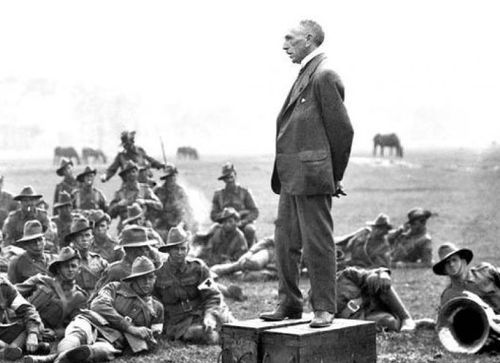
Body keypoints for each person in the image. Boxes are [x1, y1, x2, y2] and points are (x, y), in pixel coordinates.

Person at [260, 20, 354, 328]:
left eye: (290, 39)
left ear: (309, 39)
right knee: (285, 241)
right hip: (290, 177)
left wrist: (333, 176)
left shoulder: (324, 76)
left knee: (317, 243)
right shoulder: (306, 73)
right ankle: (289, 303)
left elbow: (342, 131)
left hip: (312, 178)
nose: (284, 45)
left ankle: (324, 308)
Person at [24, 256, 164, 363]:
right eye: (142, 278)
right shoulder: (114, 288)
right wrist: (130, 328)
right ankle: (60, 357)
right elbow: (99, 306)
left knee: (102, 351)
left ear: (155, 278)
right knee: (76, 335)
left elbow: (155, 337)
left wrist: (146, 338)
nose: (147, 282)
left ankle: (52, 358)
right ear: (134, 279)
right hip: (92, 321)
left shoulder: (157, 308)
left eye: (150, 277)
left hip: (115, 339)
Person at [154, 226, 235, 344]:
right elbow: (154, 303)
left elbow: (212, 296)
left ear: (187, 249)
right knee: (203, 335)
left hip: (201, 312)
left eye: (183, 249)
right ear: (169, 250)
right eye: (176, 249)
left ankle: (229, 334)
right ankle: (224, 340)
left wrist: (209, 316)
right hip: (178, 321)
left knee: (235, 327)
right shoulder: (159, 273)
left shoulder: (198, 268)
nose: (180, 253)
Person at [16, 247, 88, 340]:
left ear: (79, 270)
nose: (70, 269)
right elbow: (12, 294)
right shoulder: (40, 280)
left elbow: (77, 325)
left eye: (73, 266)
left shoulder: (79, 297)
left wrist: (56, 333)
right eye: (66, 266)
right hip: (17, 325)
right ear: (58, 269)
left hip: (41, 336)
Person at [336, 265, 416, 332]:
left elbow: (375, 272)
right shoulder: (324, 300)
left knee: (376, 278)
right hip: (361, 319)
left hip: (379, 301)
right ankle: (411, 324)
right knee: (389, 322)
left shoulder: (347, 275)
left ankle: (406, 318)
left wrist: (383, 274)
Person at [93, 225, 164, 294]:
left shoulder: (152, 267)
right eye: (138, 249)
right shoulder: (115, 271)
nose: (144, 251)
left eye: (146, 248)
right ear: (127, 250)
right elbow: (98, 296)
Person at [432, 242, 500, 312]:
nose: (451, 264)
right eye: (447, 262)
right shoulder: (448, 296)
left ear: (463, 261)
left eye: (454, 260)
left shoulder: (485, 271)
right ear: (444, 270)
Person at [210, 162, 259, 247]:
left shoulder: (245, 192)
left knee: (250, 229)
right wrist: (226, 217)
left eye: (231, 177)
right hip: (225, 224)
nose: (229, 180)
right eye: (226, 178)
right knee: (214, 230)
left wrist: (243, 221)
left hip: (242, 224)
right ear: (223, 179)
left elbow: (254, 211)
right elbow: (213, 215)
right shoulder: (218, 194)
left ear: (235, 176)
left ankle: (249, 251)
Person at [0, 275, 47, 361]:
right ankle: (10, 349)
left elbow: (27, 309)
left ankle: (12, 349)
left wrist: (32, 333)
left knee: (33, 323)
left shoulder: (3, 286)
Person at [108, 161, 162, 232]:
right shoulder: (119, 193)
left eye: (133, 171)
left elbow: (159, 206)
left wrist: (145, 202)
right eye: (128, 172)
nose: (131, 174)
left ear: (137, 173)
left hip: (143, 227)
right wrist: (118, 205)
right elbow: (109, 213)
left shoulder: (145, 189)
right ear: (125, 176)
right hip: (125, 229)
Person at [64, 217, 109, 295]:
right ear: (73, 239)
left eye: (87, 235)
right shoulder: (64, 262)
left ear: (92, 239)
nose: (84, 239)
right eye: (80, 236)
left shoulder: (100, 261)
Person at [100, 130, 165, 183]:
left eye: (128, 144)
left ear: (132, 142)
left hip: (144, 182)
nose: (125, 146)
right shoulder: (121, 156)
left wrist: (160, 165)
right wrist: (105, 176)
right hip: (129, 185)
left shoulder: (140, 151)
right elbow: (112, 169)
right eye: (124, 145)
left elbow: (151, 160)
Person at [153, 162, 197, 238]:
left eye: (173, 176)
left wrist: (187, 221)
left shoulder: (180, 191)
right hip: (162, 222)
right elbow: (154, 209)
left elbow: (187, 208)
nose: (172, 179)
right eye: (169, 177)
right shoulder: (158, 191)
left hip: (177, 221)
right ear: (165, 179)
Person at [210, 235, 277, 280]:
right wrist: (250, 252)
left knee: (251, 276)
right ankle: (227, 268)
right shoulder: (284, 231)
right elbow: (266, 241)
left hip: (275, 269)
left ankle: (226, 276)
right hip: (269, 254)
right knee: (251, 263)